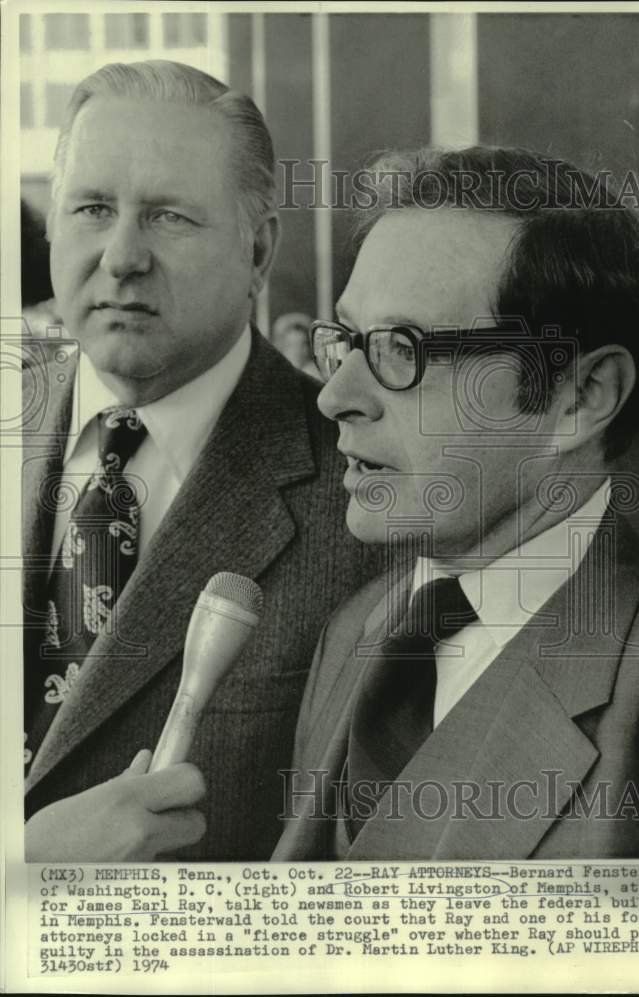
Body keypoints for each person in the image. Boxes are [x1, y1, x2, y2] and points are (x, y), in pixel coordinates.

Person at [272, 147, 639, 861]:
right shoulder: (358, 629)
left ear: (580, 395)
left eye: (401, 349)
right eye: (346, 341)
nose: (334, 397)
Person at [22, 60, 383, 861]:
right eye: (91, 208)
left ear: (258, 252)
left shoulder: (367, 509)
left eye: (169, 218)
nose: (121, 257)